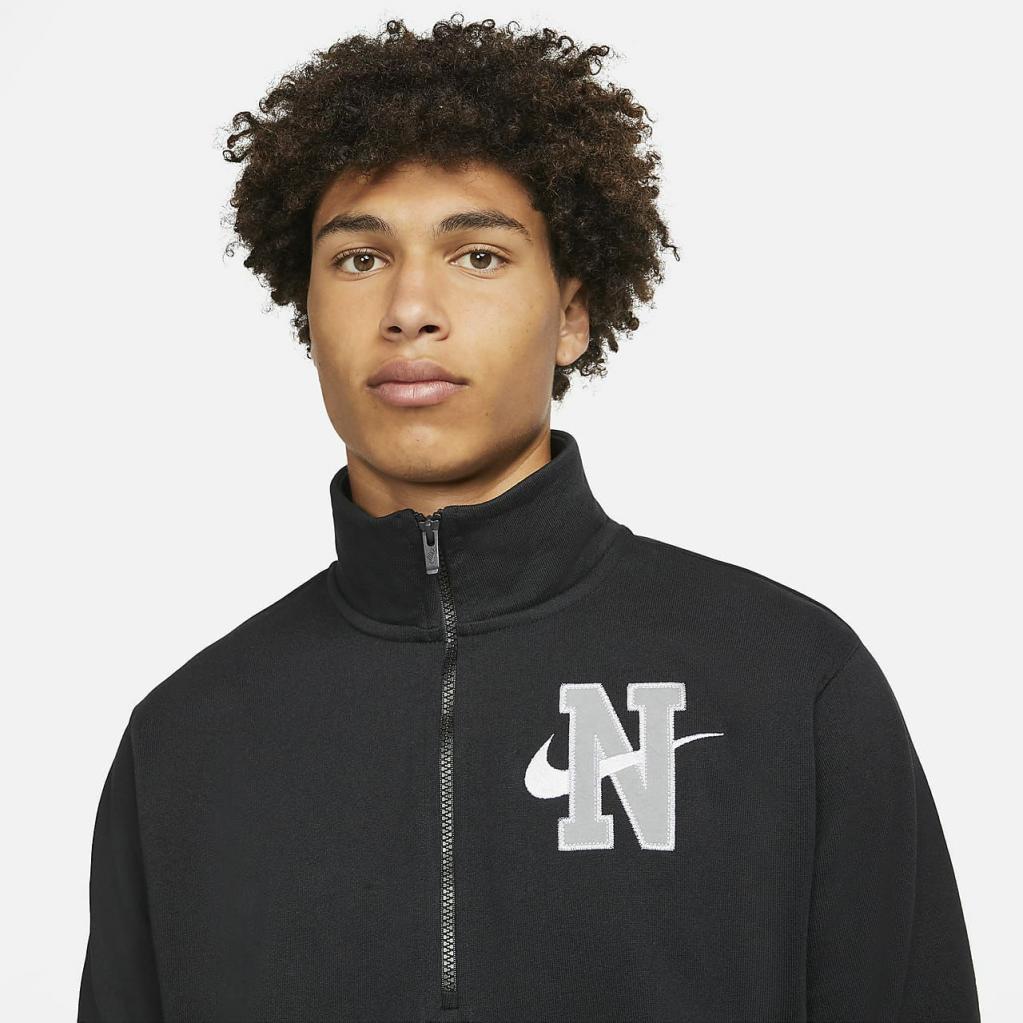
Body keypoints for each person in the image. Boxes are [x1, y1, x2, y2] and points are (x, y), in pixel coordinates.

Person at [78, 14, 981, 1022]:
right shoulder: (185, 740)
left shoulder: (789, 680)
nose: (410, 308)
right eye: (359, 259)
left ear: (572, 316)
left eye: (477, 256)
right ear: (308, 311)